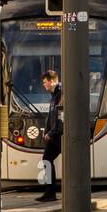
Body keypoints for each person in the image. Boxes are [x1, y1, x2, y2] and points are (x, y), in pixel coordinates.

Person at [37, 70, 63, 203]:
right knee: (47, 159)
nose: (44, 85)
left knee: (47, 159)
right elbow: (51, 116)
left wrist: (51, 133)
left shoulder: (61, 94)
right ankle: (50, 191)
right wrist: (46, 130)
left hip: (60, 135)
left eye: (45, 82)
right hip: (55, 134)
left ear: (52, 81)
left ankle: (51, 192)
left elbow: (60, 117)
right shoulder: (54, 95)